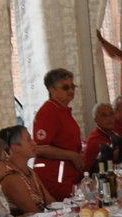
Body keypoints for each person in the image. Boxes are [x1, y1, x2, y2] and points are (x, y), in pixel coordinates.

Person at [31, 68, 83, 200]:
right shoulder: (48, 112)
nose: (71, 91)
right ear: (52, 90)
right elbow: (39, 148)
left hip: (68, 175)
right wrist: (72, 155)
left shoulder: (62, 111)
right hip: (55, 177)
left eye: (73, 87)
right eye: (66, 87)